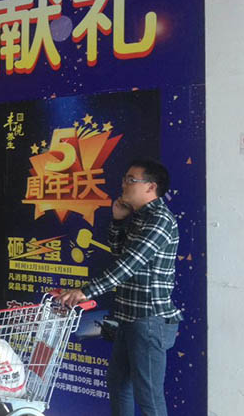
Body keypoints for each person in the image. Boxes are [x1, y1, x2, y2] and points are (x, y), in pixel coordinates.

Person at [57, 158, 183, 416]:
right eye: (125, 179)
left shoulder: (159, 220)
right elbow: (119, 253)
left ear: (151, 186)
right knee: (118, 384)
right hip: (129, 318)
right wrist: (117, 221)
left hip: (149, 320)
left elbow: (128, 265)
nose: (123, 184)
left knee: (148, 396)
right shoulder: (140, 217)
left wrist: (85, 292)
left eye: (130, 180)